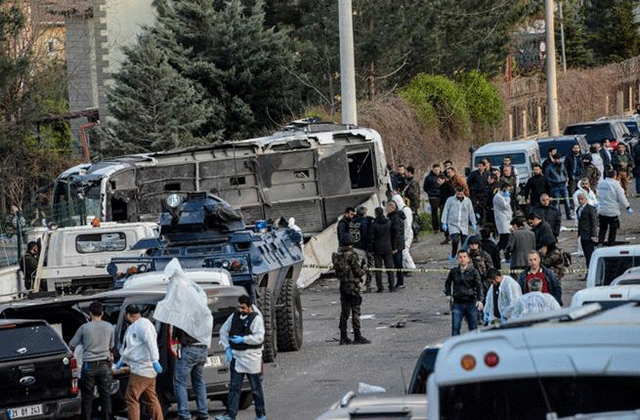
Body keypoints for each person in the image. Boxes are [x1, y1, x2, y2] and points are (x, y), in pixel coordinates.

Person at [216, 295, 267, 420]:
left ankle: (260, 414)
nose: (241, 310)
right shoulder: (234, 316)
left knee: (255, 389)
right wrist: (227, 347)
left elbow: (259, 337)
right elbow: (223, 330)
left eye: (243, 308)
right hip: (237, 357)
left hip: (252, 358)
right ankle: (230, 414)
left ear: (249, 307)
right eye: (239, 307)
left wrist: (244, 339)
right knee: (234, 387)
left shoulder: (256, 319)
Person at [116, 305, 164, 420]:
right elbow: (131, 348)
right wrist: (122, 361)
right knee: (150, 398)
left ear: (127, 315)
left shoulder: (143, 326)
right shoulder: (137, 326)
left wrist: (155, 360)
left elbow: (151, 344)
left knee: (131, 397)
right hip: (147, 368)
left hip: (142, 369)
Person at [69, 301, 115, 420]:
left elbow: (72, 344)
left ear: (90, 313)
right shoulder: (109, 326)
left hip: (89, 365)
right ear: (102, 313)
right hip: (105, 365)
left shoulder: (84, 328)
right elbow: (111, 345)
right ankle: (107, 417)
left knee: (87, 397)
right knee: (106, 396)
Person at [331, 234, 370, 344]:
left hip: (343, 286)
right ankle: (357, 336)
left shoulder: (336, 255)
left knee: (344, 312)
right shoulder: (352, 255)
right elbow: (358, 272)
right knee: (356, 311)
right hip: (353, 286)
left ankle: (343, 337)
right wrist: (364, 268)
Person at [444, 250, 484, 336]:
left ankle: (475, 347)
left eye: (464, 257)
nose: (462, 259)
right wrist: (448, 294)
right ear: (458, 259)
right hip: (457, 303)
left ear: (468, 259)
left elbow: (479, 286)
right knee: (455, 328)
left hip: (471, 302)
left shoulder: (473, 272)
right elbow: (448, 282)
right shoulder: (454, 272)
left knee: (473, 327)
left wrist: (480, 300)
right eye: (460, 257)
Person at [597, 169, 633, 246]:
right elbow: (622, 198)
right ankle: (611, 242)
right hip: (612, 211)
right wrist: (627, 206)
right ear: (615, 176)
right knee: (613, 229)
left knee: (602, 228)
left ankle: (600, 241)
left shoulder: (601, 183)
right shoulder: (616, 185)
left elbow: (598, 195)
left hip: (602, 209)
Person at [441, 187, 477, 262]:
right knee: (455, 240)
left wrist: (473, 222)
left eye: (461, 193)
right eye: (458, 193)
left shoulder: (467, 201)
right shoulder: (450, 200)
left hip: (464, 224)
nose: (459, 195)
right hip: (453, 223)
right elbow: (445, 211)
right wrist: (444, 222)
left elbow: (471, 212)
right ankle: (453, 254)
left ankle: (463, 256)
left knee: (464, 242)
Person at [368, 207, 394, 293]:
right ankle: (391, 285)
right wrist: (393, 247)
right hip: (388, 247)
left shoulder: (374, 224)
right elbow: (393, 235)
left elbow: (371, 237)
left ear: (376, 213)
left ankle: (380, 287)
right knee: (389, 268)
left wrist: (370, 249)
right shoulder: (389, 222)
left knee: (378, 269)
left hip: (377, 248)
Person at [349, 206, 374, 291]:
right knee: (364, 267)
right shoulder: (364, 222)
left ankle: (356, 285)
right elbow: (365, 235)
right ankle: (362, 286)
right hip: (362, 247)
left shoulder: (352, 221)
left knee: (356, 267)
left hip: (354, 246)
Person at [392, 195, 416, 276]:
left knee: (404, 251)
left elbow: (407, 225)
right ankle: (406, 268)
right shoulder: (402, 210)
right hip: (404, 234)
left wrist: (405, 235)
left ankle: (411, 267)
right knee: (403, 251)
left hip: (407, 234)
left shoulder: (406, 210)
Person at [545, 153, 572, 220]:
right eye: (555, 159)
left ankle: (568, 215)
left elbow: (565, 173)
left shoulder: (562, 165)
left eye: (558, 159)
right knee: (556, 202)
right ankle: (557, 216)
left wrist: (566, 179)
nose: (557, 160)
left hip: (563, 185)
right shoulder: (549, 167)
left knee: (567, 201)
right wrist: (552, 182)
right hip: (555, 186)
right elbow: (547, 177)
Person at [387, 201, 405, 290]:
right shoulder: (396, 217)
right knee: (398, 263)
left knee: (398, 264)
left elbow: (395, 234)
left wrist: (394, 247)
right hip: (399, 244)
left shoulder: (394, 218)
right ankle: (400, 281)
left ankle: (400, 282)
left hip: (397, 245)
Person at [576, 192, 598, 267]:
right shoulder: (579, 209)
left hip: (589, 235)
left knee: (589, 255)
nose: (580, 201)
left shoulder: (590, 209)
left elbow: (594, 222)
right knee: (586, 254)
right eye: (579, 199)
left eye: (582, 199)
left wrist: (594, 235)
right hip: (583, 235)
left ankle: (590, 271)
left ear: (586, 199)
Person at [467, 159, 490, 224]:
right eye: (478, 166)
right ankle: (475, 221)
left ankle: (484, 221)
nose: (480, 167)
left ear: (484, 167)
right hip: (476, 194)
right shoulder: (473, 174)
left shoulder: (487, 174)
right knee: (476, 208)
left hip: (484, 194)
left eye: (481, 166)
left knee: (484, 208)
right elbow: (468, 182)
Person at [493, 182, 513, 252]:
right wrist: (508, 198)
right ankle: (496, 251)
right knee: (504, 238)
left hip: (507, 218)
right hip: (502, 219)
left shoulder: (503, 196)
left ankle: (500, 251)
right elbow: (506, 206)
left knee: (506, 238)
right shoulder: (498, 196)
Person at [423, 163, 442, 232]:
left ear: (440, 169)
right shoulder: (428, 177)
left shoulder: (442, 176)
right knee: (434, 213)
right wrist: (430, 193)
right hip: (433, 196)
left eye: (438, 170)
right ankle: (435, 228)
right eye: (435, 170)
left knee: (443, 212)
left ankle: (442, 227)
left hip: (441, 196)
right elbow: (425, 187)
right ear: (433, 170)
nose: (437, 171)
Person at [438, 174, 455, 244]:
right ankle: (447, 235)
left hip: (447, 205)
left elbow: (452, 195)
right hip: (443, 204)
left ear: (443, 180)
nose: (438, 182)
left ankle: (449, 235)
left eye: (439, 180)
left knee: (446, 220)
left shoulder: (448, 186)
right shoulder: (441, 187)